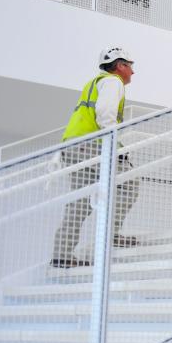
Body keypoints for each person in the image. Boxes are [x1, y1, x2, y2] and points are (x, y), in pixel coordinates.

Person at [50, 47, 141, 268]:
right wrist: (115, 148)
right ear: (120, 66)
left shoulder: (95, 82)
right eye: (130, 66)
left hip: (74, 145)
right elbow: (106, 114)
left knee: (80, 202)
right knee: (130, 182)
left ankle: (62, 255)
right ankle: (112, 234)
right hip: (92, 146)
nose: (132, 72)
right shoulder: (113, 82)